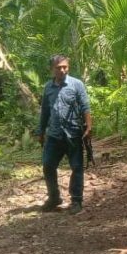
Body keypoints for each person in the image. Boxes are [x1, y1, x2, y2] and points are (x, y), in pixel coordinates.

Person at [36, 55, 92, 214]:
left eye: (65, 67)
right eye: (58, 67)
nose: (62, 70)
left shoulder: (76, 85)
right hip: (54, 135)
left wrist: (89, 127)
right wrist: (41, 131)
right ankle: (54, 197)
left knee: (77, 167)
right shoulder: (48, 87)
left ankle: (76, 201)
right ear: (52, 69)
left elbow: (85, 107)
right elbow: (45, 112)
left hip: (73, 134)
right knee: (48, 165)